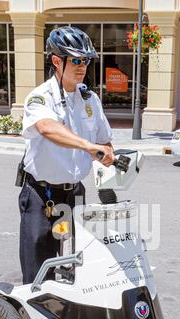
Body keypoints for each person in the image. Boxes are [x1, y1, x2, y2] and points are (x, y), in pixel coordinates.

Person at [19, 26, 115, 284]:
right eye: (75, 60)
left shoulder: (90, 99)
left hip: (73, 194)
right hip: (42, 195)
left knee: (77, 260)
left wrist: (109, 162)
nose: (82, 66)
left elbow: (104, 142)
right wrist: (88, 146)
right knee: (40, 267)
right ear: (56, 61)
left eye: (85, 60)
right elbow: (47, 128)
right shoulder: (40, 97)